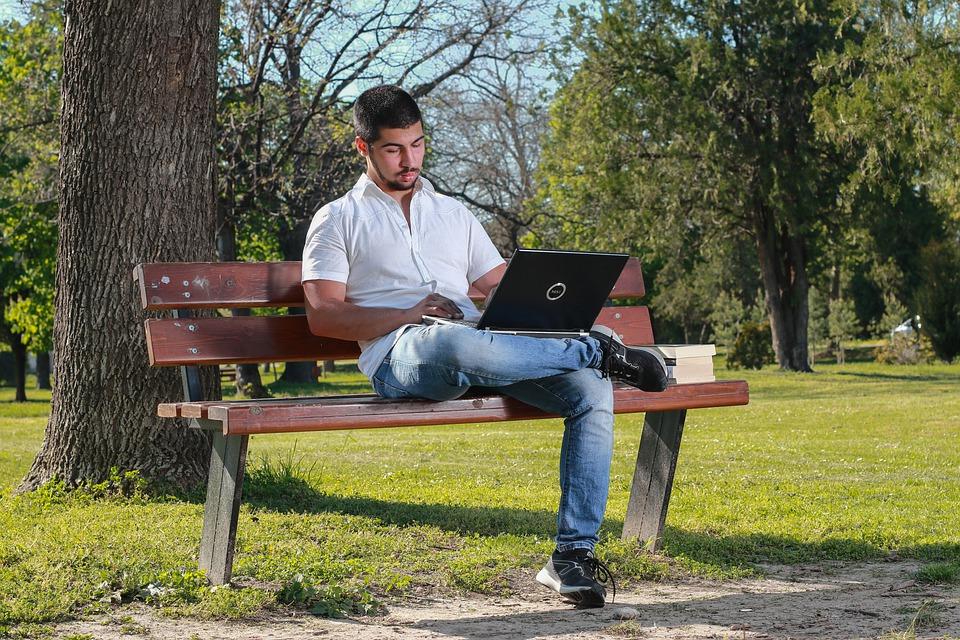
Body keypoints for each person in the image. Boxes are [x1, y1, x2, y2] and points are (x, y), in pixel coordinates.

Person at [301, 85, 668, 608]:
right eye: (393, 149)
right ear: (363, 149)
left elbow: (498, 283)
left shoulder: (453, 213)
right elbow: (324, 316)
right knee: (454, 344)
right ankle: (597, 350)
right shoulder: (338, 219)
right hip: (401, 352)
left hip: (486, 343)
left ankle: (571, 557)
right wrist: (411, 312)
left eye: (418, 144)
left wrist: (534, 303)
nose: (410, 160)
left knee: (589, 391)